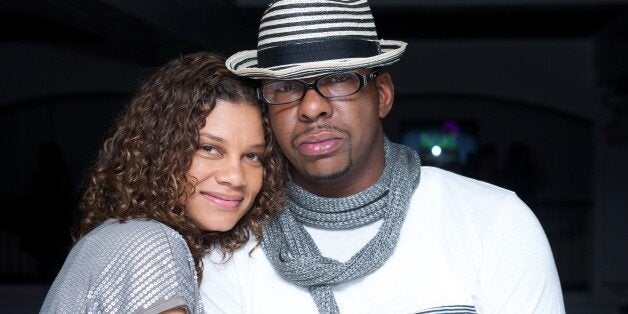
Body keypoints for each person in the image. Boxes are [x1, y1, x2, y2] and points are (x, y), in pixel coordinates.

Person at [200, 0, 565, 313]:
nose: (312, 107)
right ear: (267, 111)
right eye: (286, 87)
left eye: (337, 79)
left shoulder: (493, 221)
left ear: (382, 96)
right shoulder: (230, 251)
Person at [40, 52, 284, 313]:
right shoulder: (151, 244)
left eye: (252, 156)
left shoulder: (117, 236)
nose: (235, 177)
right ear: (159, 151)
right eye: (209, 149)